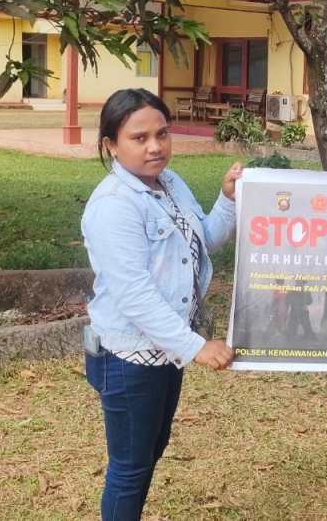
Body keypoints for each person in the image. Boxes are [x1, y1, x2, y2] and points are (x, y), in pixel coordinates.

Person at [81, 88, 242, 520]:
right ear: (111, 145)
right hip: (129, 355)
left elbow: (204, 239)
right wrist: (196, 346)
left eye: (162, 133)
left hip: (164, 348)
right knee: (130, 469)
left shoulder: (170, 184)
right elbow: (134, 296)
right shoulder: (114, 206)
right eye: (139, 138)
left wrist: (227, 198)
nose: (155, 146)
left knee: (151, 449)